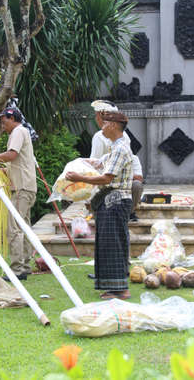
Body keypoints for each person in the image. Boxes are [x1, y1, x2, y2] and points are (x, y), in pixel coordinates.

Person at [66, 110, 133, 300]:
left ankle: (121, 289)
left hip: (116, 201)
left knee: (114, 243)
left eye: (104, 124)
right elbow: (98, 163)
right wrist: (79, 163)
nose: (102, 127)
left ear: (113, 125)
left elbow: (106, 178)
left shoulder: (121, 149)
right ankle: (114, 288)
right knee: (107, 243)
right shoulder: (114, 147)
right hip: (109, 201)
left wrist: (79, 177)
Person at [0, 107, 37, 281]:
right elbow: (14, 162)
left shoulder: (18, 132)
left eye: (4, 121)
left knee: (14, 228)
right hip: (26, 187)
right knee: (24, 227)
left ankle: (17, 269)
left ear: (12, 118)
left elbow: (11, 155)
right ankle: (24, 266)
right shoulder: (22, 132)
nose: (2, 126)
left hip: (20, 188)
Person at [130, 154, 144, 222]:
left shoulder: (133, 158)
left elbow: (139, 178)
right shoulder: (106, 157)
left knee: (137, 185)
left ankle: (130, 212)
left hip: (127, 185)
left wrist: (126, 174)